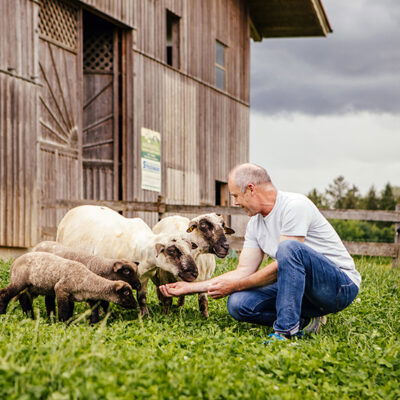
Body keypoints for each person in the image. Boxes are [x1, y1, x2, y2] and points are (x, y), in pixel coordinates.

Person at [159, 163, 361, 341]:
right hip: (301, 290)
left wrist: (235, 285)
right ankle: (305, 321)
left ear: (251, 189)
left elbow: (282, 265)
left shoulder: (294, 206)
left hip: (338, 287)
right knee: (238, 303)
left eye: (236, 196)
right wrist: (191, 287)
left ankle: (285, 331)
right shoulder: (255, 224)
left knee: (289, 249)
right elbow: (243, 271)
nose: (235, 202)